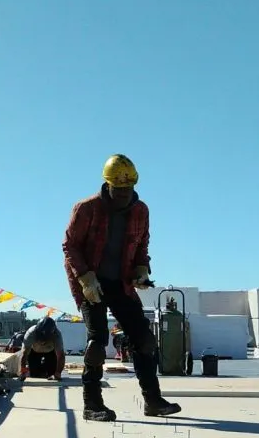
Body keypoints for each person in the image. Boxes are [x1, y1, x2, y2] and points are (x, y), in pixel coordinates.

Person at [62, 153, 182, 421]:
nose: (123, 196)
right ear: (108, 185)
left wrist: (141, 268)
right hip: (91, 281)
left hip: (121, 283)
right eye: (118, 190)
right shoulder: (87, 208)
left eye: (128, 190)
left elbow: (142, 245)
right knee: (97, 343)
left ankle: (153, 401)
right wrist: (85, 278)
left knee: (144, 339)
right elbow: (70, 245)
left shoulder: (141, 211)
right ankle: (92, 405)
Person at [18, 315, 65, 380]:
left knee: (52, 373)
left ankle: (47, 371)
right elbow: (24, 353)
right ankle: (40, 372)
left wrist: (58, 373)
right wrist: (23, 371)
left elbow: (61, 355)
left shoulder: (57, 334)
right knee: (34, 374)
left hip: (50, 352)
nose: (43, 342)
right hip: (34, 352)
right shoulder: (31, 332)